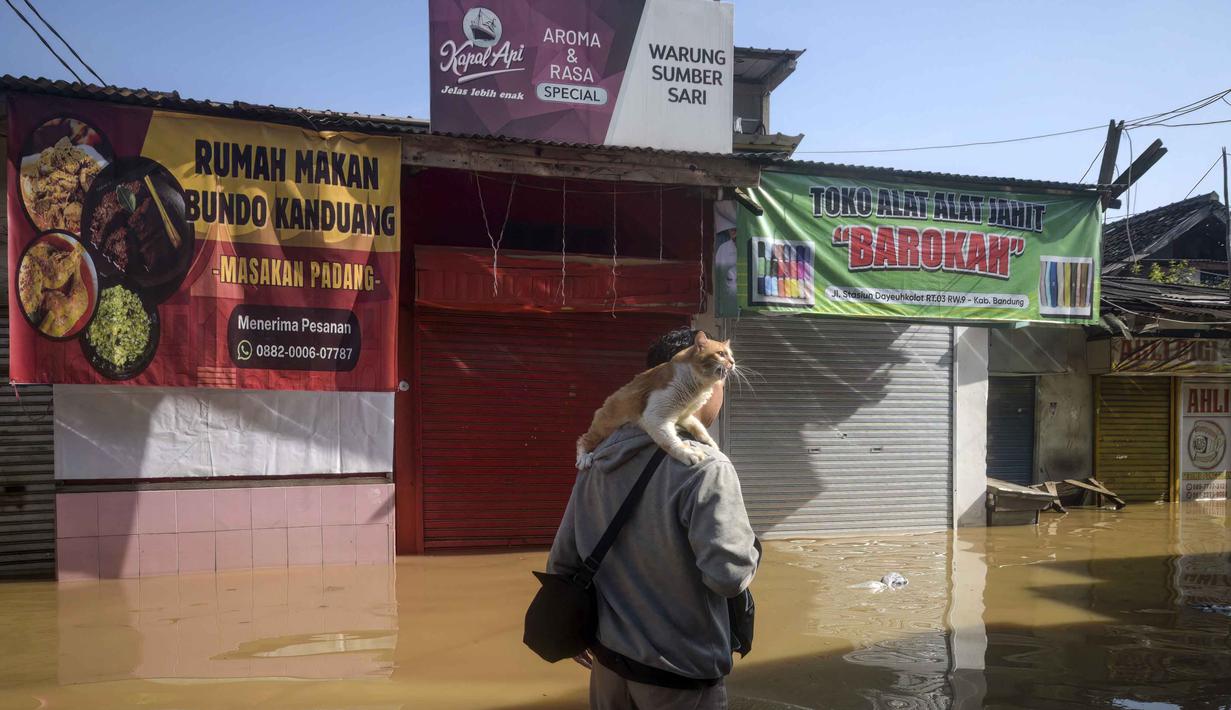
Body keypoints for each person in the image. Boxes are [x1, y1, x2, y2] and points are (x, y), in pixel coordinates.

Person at [547, 327, 761, 710]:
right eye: (717, 378)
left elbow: (564, 557)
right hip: (679, 675)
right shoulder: (706, 467)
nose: (717, 390)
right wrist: (751, 550)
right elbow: (728, 577)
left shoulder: (598, 457)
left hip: (609, 666)